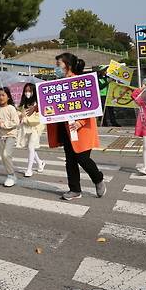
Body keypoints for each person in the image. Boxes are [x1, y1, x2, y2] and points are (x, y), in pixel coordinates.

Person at [47, 53, 106, 200]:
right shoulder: (58, 84)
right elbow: (50, 102)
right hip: (65, 128)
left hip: (82, 128)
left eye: (58, 65)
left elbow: (90, 103)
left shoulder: (80, 81)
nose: (56, 68)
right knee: (70, 160)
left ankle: (98, 179)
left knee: (82, 158)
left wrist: (81, 122)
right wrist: (38, 108)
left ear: (68, 65)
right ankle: (74, 190)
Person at [0, 87, 20, 187]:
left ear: (8, 97)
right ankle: (10, 174)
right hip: (1, 136)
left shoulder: (11, 108)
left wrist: (4, 124)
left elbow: (16, 122)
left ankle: (11, 175)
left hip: (11, 135)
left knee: (6, 155)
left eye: (3, 95)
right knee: (4, 158)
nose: (1, 97)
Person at [16, 83, 46, 177]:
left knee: (30, 147)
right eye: (25, 91)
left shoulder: (38, 103)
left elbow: (38, 119)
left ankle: (29, 170)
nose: (27, 93)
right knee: (30, 147)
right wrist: (19, 115)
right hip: (25, 128)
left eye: (29, 91)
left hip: (35, 128)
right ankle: (40, 162)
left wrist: (25, 118)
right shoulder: (24, 103)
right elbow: (19, 112)